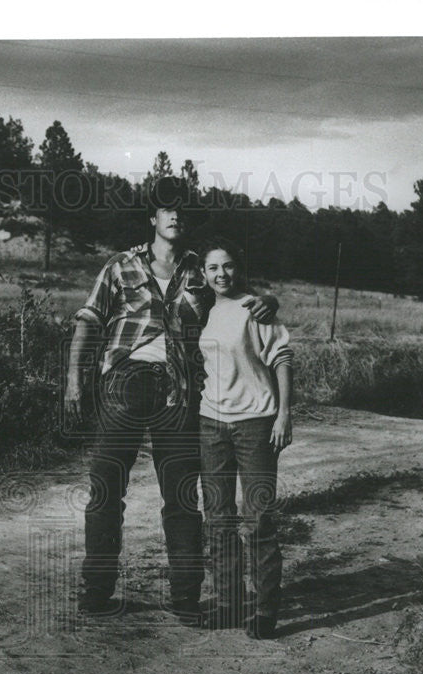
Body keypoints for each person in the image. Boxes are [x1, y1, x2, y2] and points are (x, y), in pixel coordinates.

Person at [64, 177, 278, 623]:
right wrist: (74, 381)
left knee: (181, 496)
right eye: (166, 208)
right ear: (153, 218)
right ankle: (96, 589)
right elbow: (87, 320)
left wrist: (269, 301)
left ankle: (185, 596)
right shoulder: (120, 265)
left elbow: (245, 300)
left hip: (179, 392)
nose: (175, 214)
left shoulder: (203, 270)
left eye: (182, 208)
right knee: (106, 491)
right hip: (122, 384)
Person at [197, 237, 293, 639]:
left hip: (255, 422)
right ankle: (229, 603)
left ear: (239, 268)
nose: (222, 274)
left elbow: (282, 358)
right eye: (214, 268)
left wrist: (284, 414)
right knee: (218, 519)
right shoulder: (201, 309)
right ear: (203, 274)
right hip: (211, 424)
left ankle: (266, 609)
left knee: (257, 520)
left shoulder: (256, 308)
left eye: (229, 266)